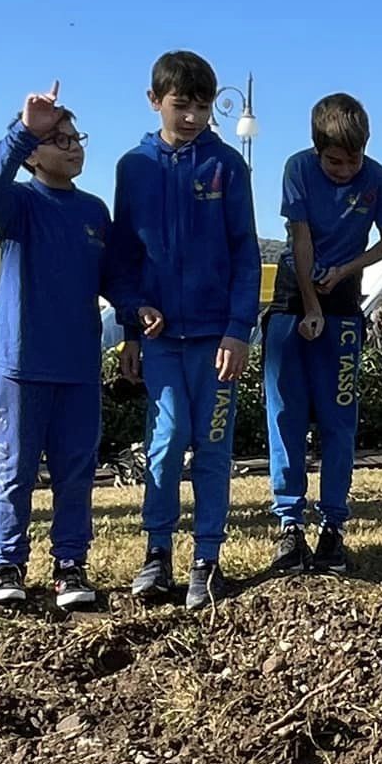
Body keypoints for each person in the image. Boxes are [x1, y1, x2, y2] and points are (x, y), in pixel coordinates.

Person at [105, 50, 262, 610]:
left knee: (213, 446)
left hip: (217, 339)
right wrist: (131, 322)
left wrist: (238, 330)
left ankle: (207, 559)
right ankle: (157, 552)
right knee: (166, 441)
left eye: (202, 106)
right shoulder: (133, 167)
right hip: (160, 341)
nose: (192, 117)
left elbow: (246, 253)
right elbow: (123, 257)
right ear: (154, 101)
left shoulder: (227, 166)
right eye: (180, 105)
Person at [0, 83, 112, 612]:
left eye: (76, 139)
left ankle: (70, 564)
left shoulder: (94, 211)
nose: (73, 148)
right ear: (32, 154)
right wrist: (24, 130)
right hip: (19, 361)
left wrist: (135, 311)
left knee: (76, 472)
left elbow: (114, 277)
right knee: (13, 467)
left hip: (78, 365)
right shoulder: (19, 204)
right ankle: (5, 564)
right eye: (59, 140)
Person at [264, 93, 382, 577]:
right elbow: (300, 239)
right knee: (286, 416)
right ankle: (289, 524)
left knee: (338, 420)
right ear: (316, 149)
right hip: (292, 299)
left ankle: (333, 527)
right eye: (334, 161)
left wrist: (345, 270)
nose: (344, 170)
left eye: (353, 160)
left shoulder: (376, 178)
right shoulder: (298, 169)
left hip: (342, 303)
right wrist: (310, 305)